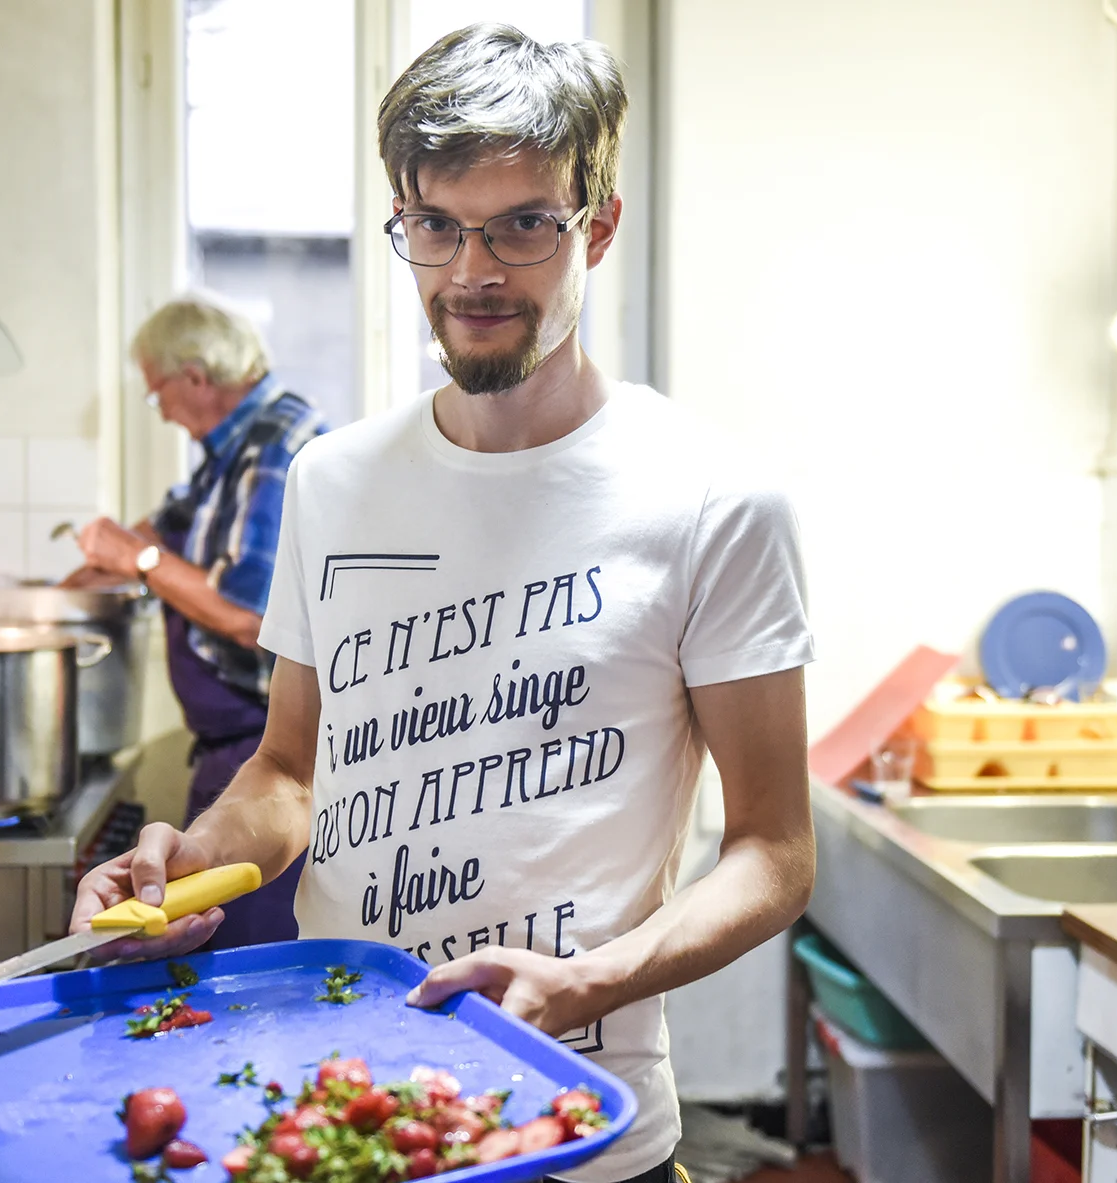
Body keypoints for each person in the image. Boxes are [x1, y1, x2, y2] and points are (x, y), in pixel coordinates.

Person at [72, 25, 814, 1183]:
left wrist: (596, 980)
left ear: (597, 227)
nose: (471, 272)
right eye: (434, 224)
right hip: (344, 1102)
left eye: (523, 223)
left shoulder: (713, 496)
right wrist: (192, 855)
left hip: (578, 1121)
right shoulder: (333, 479)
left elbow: (774, 849)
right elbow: (289, 773)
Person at [67, 293, 325, 949]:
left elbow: (247, 614)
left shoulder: (273, 445)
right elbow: (155, 531)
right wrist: (67, 585)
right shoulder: (225, 453)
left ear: (196, 377)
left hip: (268, 755)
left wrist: (141, 559)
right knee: (195, 946)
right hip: (231, 754)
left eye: (159, 394)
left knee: (244, 970)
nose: (163, 413)